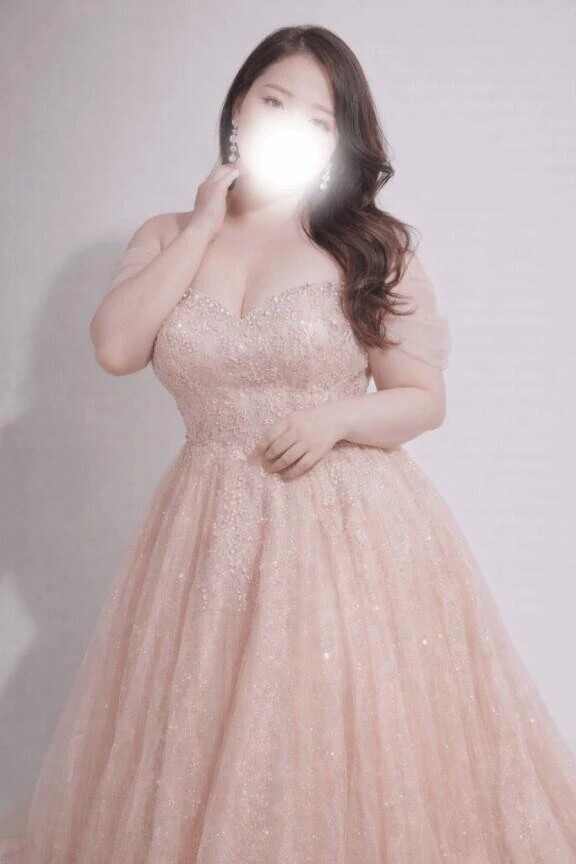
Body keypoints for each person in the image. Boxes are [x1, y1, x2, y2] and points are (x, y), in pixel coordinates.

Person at [3, 23, 576, 864]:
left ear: (338, 143)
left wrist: (334, 419)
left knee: (335, 745)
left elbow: (424, 400)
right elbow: (117, 348)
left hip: (343, 535)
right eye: (275, 101)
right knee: (206, 747)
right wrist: (203, 224)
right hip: (205, 537)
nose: (292, 125)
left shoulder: (365, 246)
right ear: (239, 108)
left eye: (319, 120)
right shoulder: (168, 235)